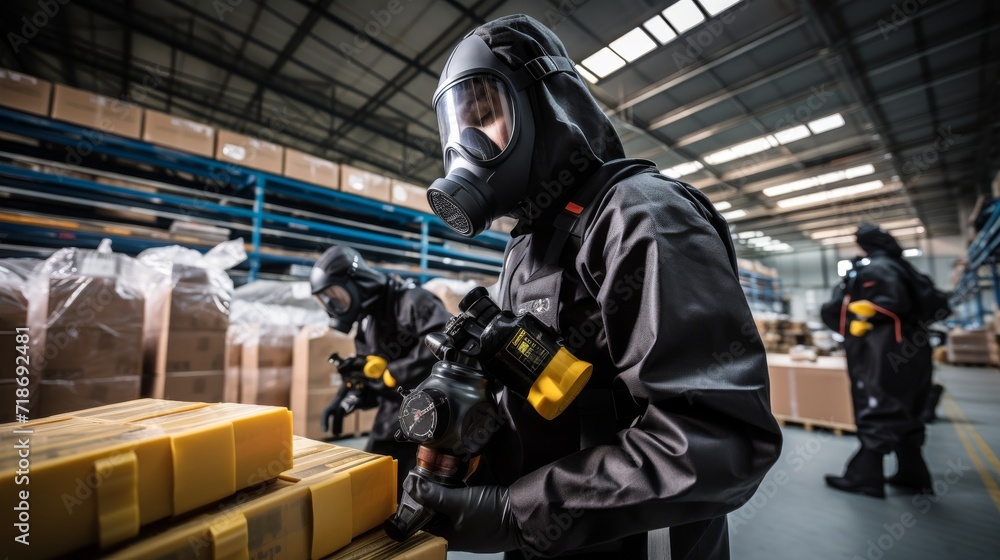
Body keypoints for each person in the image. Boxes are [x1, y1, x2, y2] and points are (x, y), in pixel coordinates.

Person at [402, 14, 783, 559]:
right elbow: (548, 402)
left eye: (487, 115)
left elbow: (717, 442)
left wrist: (518, 513)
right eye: (458, 124)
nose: (466, 142)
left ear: (544, 104)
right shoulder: (528, 246)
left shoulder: (643, 216)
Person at [310, 245, 452, 494]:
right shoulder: (368, 323)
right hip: (394, 417)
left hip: (432, 417)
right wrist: (348, 399)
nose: (334, 304)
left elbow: (446, 348)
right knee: (370, 484)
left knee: (412, 495)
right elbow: (371, 378)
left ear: (356, 282)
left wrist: (391, 373)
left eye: (336, 295)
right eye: (328, 299)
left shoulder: (414, 302)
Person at [820, 224, 942, 498]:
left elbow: (890, 302)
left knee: (879, 404)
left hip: (884, 347)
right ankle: (913, 475)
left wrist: (865, 313)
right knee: (907, 407)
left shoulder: (877, 268)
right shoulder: (903, 267)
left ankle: (865, 477)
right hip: (912, 347)